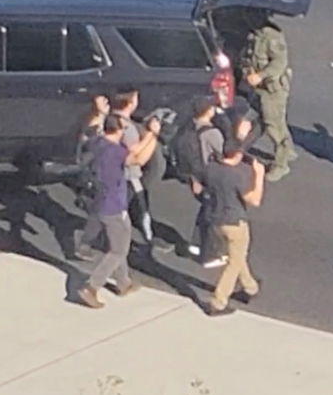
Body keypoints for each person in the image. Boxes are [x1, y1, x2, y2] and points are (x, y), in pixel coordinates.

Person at [77, 112, 161, 309]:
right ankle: (91, 286)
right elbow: (137, 158)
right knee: (118, 250)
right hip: (114, 205)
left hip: (101, 201)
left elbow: (89, 130)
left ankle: (124, 283)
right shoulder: (115, 151)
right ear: (119, 130)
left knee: (121, 240)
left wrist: (98, 112)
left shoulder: (97, 142)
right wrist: (152, 134)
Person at [199, 138, 264, 316]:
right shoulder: (236, 175)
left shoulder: (210, 168)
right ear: (237, 154)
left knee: (237, 255)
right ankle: (218, 302)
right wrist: (259, 176)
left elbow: (198, 187)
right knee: (234, 262)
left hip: (215, 219)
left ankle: (250, 287)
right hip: (235, 222)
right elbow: (254, 200)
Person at [170, 97, 229, 266]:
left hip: (194, 177)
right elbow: (223, 153)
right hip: (210, 177)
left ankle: (196, 244)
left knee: (206, 209)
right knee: (215, 212)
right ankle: (211, 253)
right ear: (209, 111)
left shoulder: (186, 130)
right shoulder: (211, 133)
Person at [240, 12, 298, 181]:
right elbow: (248, 58)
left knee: (273, 125)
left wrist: (261, 75)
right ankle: (288, 150)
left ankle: (281, 164)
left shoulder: (271, 37)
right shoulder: (254, 35)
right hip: (258, 88)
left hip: (272, 89)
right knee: (275, 120)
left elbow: (280, 62)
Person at [108, 88, 158, 247]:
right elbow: (137, 157)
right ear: (130, 103)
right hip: (127, 176)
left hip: (119, 175)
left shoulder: (111, 120)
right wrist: (153, 134)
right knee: (123, 213)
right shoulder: (126, 128)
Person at [73, 93, 112, 258]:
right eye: (103, 102)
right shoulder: (92, 126)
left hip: (103, 171)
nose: (107, 104)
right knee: (100, 209)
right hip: (95, 172)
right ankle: (85, 244)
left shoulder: (102, 122)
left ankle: (100, 240)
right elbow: (88, 143)